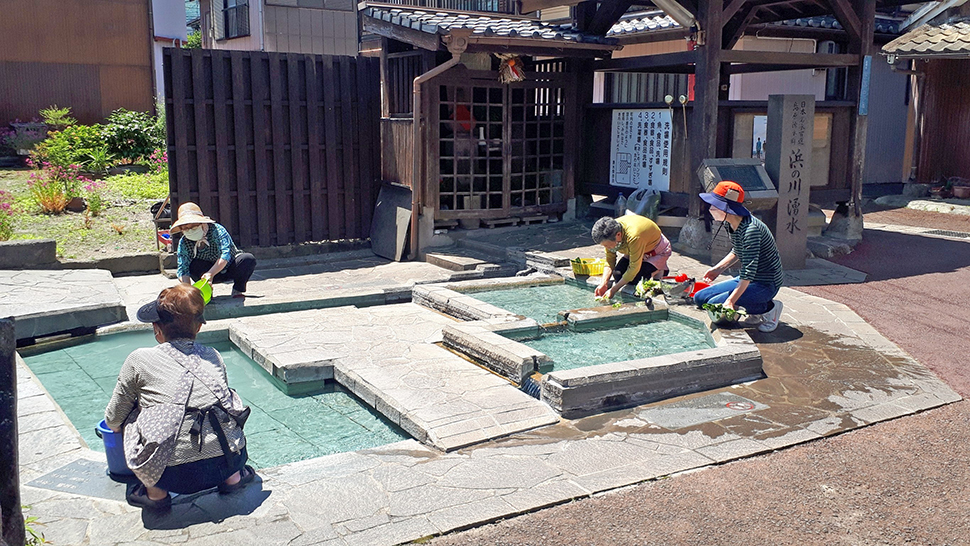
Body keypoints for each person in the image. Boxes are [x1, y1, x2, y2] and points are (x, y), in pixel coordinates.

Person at [104, 284, 255, 511]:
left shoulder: (139, 359)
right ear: (199, 327)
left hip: (168, 475)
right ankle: (233, 479)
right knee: (215, 407)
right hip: (225, 463)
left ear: (157, 329)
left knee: (131, 415)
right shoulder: (213, 356)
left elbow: (113, 419)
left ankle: (156, 494)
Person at [693, 181, 785, 332]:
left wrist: (730, 301)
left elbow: (748, 273)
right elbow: (737, 250)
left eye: (715, 205)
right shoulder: (732, 223)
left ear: (727, 209)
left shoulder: (751, 231)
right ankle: (753, 308)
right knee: (701, 298)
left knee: (716, 303)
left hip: (765, 283)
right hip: (750, 280)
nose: (710, 209)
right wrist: (717, 269)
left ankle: (769, 308)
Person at [169, 202, 256, 298]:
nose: (190, 230)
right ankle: (205, 293)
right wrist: (187, 289)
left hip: (228, 267)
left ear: (201, 223)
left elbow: (225, 255)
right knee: (194, 265)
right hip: (204, 275)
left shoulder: (217, 230)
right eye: (185, 228)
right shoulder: (184, 242)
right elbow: (183, 269)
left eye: (193, 226)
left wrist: (211, 273)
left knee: (247, 259)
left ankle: (238, 290)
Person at [591, 213, 672, 300]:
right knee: (617, 275)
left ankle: (660, 270)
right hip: (634, 250)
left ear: (618, 235)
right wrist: (604, 283)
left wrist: (613, 290)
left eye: (608, 245)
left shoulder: (634, 236)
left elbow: (634, 268)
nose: (607, 248)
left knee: (636, 279)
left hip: (656, 251)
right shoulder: (610, 232)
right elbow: (610, 260)